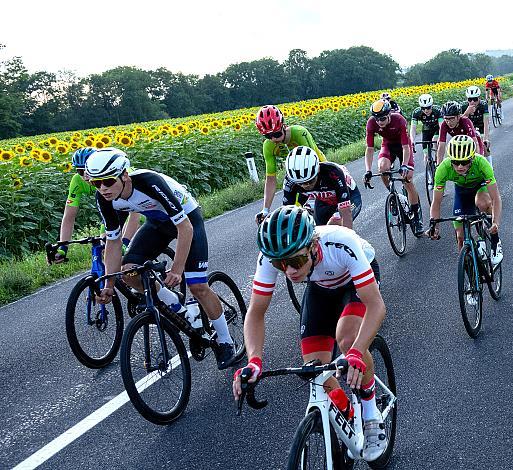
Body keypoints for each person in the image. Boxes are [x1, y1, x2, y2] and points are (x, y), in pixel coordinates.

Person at [233, 206, 388, 461]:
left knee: (348, 339)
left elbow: (376, 306)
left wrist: (358, 352)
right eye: (279, 264)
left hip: (353, 281)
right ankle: (348, 416)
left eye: (295, 261)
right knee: (314, 368)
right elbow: (256, 312)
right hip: (320, 286)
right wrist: (254, 361)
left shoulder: (341, 243)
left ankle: (370, 414)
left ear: (314, 246)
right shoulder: (274, 255)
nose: (289, 271)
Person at [87, 148, 239, 370]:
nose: (102, 188)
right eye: (96, 183)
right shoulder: (105, 199)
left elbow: (185, 227)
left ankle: (226, 342)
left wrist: (177, 269)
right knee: (129, 272)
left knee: (197, 286)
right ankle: (176, 305)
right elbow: (113, 242)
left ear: (124, 176)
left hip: (187, 219)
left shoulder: (149, 182)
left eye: (108, 181)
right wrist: (109, 284)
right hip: (158, 223)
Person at [54, 147, 140, 263]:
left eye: (87, 171)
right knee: (106, 247)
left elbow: (134, 215)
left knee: (126, 256)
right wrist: (63, 247)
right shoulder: (77, 181)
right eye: (80, 172)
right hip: (110, 207)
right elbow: (69, 216)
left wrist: (124, 242)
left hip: (137, 206)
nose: (85, 177)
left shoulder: (115, 175)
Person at [427, 135, 503, 265]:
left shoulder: (482, 163)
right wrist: (434, 225)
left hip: (481, 186)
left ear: (472, 158)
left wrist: (496, 222)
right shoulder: (443, 168)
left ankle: (495, 241)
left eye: (464, 162)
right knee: (460, 236)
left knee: (482, 203)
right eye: (455, 162)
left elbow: (496, 197)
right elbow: (437, 201)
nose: (460, 166)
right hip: (462, 190)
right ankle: (469, 274)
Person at [255, 105, 327, 225]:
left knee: (319, 213)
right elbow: (271, 179)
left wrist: (313, 197)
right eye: (268, 136)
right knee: (294, 216)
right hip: (295, 175)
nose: (273, 139)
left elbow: (315, 165)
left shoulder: (299, 133)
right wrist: (265, 210)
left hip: (318, 170)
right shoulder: (268, 146)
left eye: (277, 134)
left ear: (283, 125)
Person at [364, 99, 424, 236]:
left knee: (407, 178)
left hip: (403, 146)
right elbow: (369, 149)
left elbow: (405, 147)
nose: (379, 122)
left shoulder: (399, 120)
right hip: (388, 145)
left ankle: (416, 218)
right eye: (377, 119)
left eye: (383, 118)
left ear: (389, 114)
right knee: (382, 168)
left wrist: (404, 165)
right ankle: (392, 195)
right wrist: (368, 170)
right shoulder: (371, 123)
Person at [282, 145, 362, 228]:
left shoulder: (333, 172)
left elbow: (346, 212)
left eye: (310, 181)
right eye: (300, 183)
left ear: (318, 170)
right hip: (324, 201)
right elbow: (288, 213)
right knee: (316, 230)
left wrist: (348, 237)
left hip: (351, 197)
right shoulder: (289, 181)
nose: (306, 186)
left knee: (335, 224)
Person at [461, 86, 491, 165]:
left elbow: (486, 122)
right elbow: (459, 122)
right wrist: (467, 112)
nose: (472, 102)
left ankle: (490, 167)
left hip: (480, 126)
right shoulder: (464, 106)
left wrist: (486, 138)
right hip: (469, 128)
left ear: (479, 98)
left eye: (475, 99)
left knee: (485, 146)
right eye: (470, 100)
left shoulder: (483, 105)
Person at [409, 93, 442, 161]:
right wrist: (412, 140)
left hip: (437, 128)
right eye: (423, 108)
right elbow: (413, 128)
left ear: (432, 105)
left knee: (435, 142)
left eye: (428, 108)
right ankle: (428, 169)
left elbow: (442, 126)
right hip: (426, 130)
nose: (426, 110)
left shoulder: (438, 110)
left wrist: (440, 138)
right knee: (426, 156)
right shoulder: (416, 112)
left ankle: (438, 163)